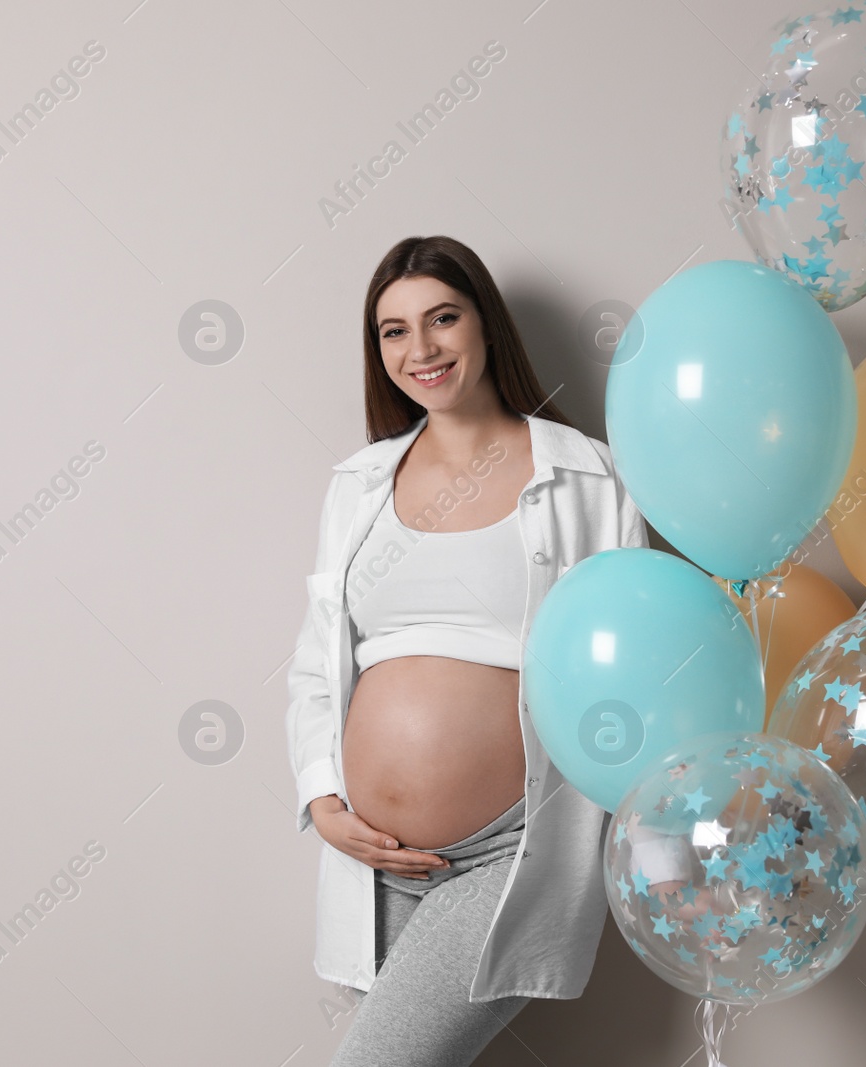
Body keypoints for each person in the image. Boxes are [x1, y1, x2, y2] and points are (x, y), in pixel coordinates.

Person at [286, 234, 648, 1066]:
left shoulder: (591, 478)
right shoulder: (358, 485)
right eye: (394, 330)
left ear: (485, 325)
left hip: (509, 855)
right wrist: (323, 802)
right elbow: (316, 660)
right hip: (370, 864)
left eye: (443, 318)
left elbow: (633, 660)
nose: (422, 349)